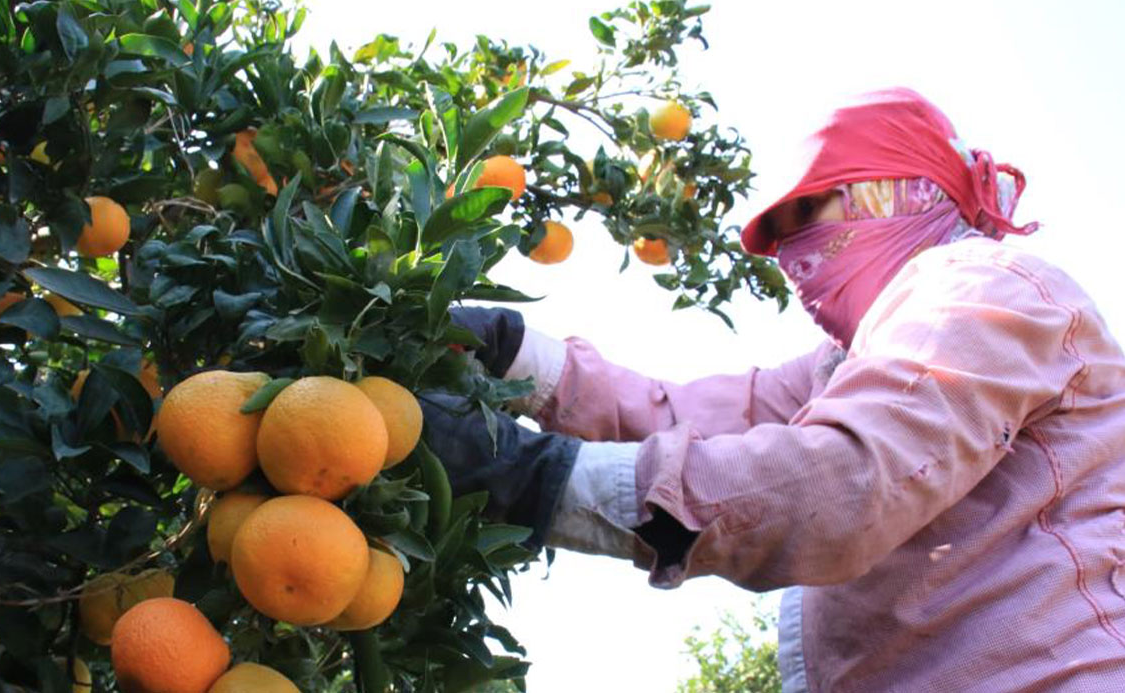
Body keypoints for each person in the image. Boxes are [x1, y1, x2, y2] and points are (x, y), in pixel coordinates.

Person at [422, 88, 1125, 691]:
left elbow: (840, 482)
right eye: (781, 235)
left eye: (809, 216)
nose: (794, 258)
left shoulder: (985, 290)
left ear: (895, 189)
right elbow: (689, 416)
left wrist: (537, 479)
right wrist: (518, 356)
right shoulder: (844, 365)